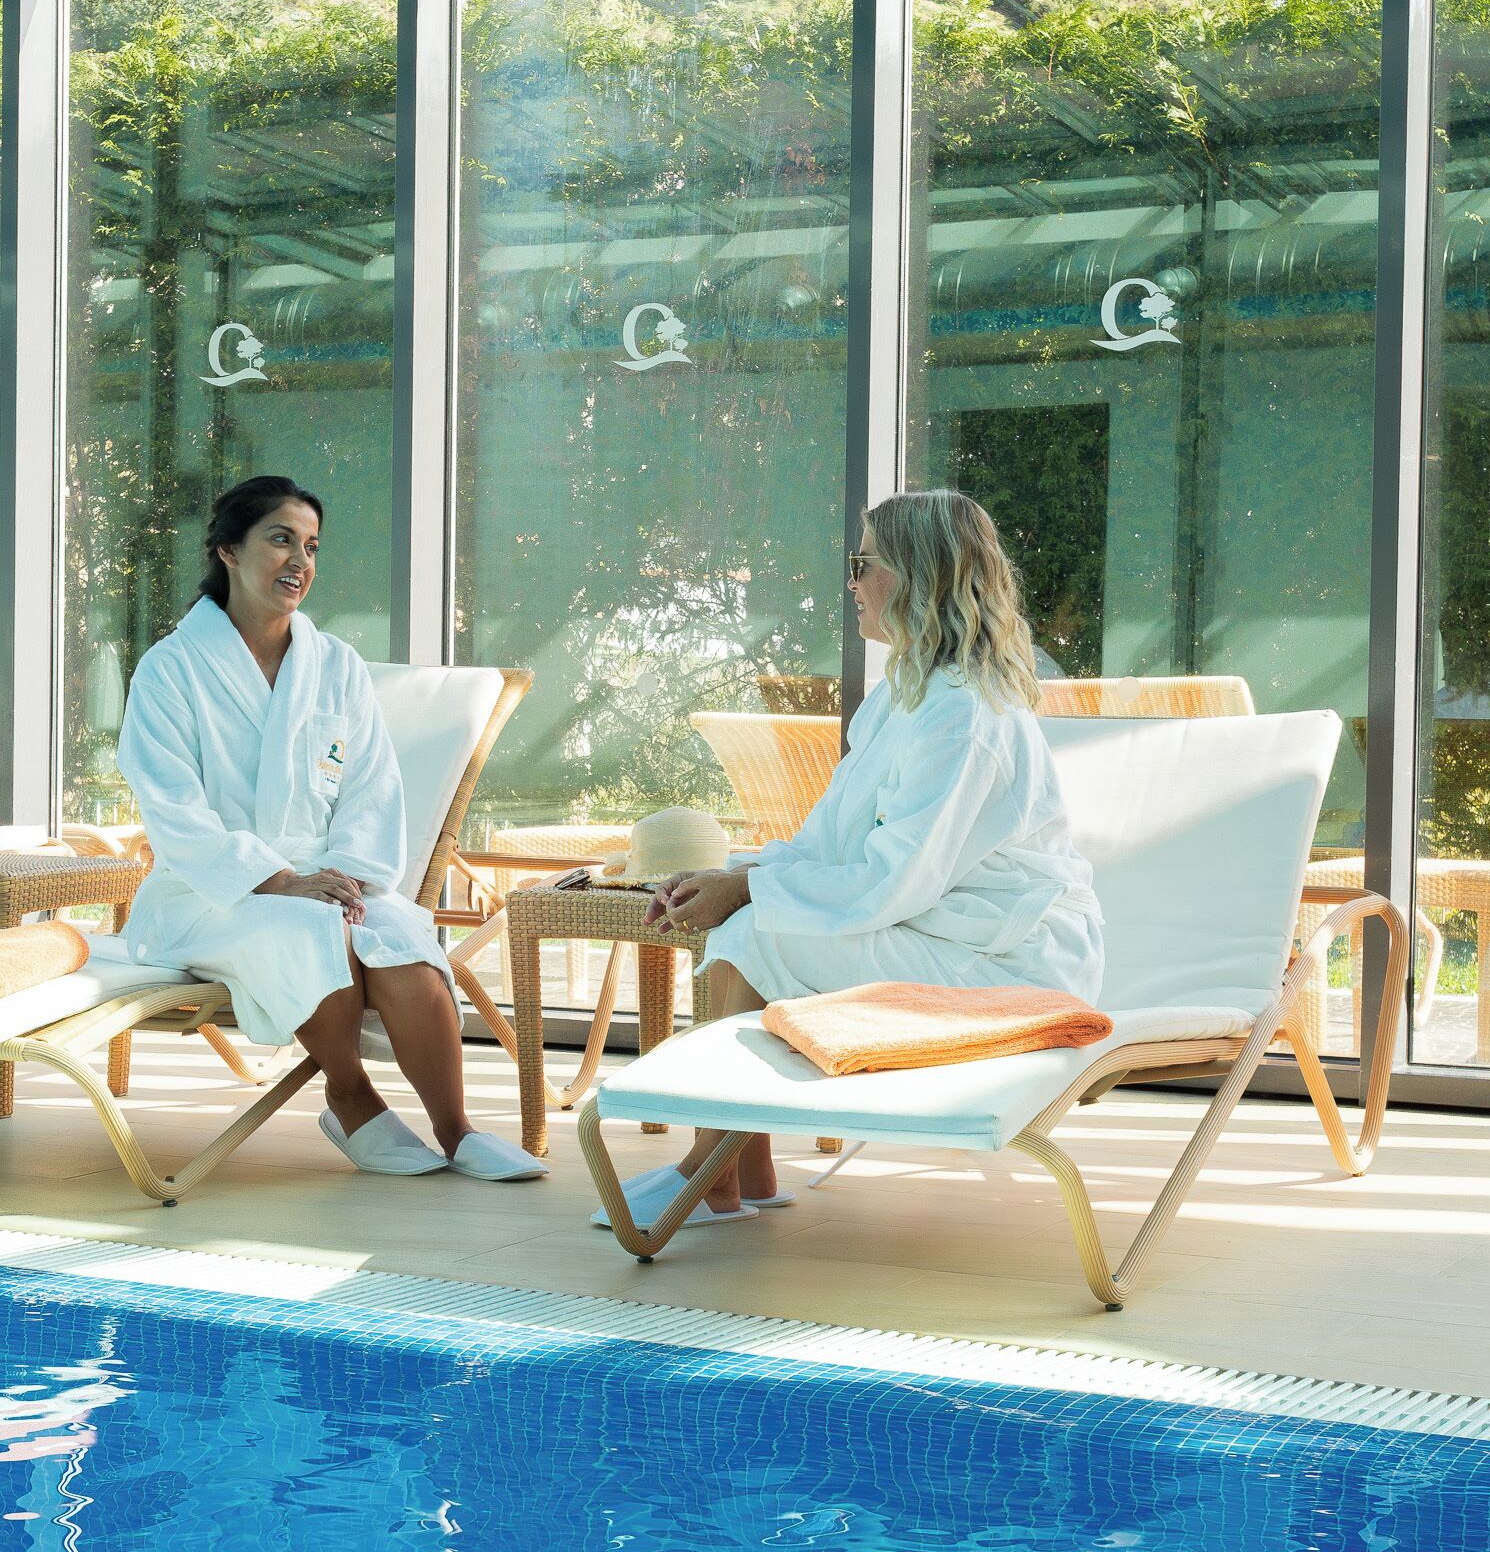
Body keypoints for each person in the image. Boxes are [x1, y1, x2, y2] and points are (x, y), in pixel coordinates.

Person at [608, 489, 1106, 1227]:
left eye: (862, 563)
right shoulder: (903, 694)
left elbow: (894, 882)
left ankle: (716, 1166)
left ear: (915, 576)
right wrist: (734, 877)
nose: (850, 582)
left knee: (755, 929)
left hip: (1010, 963)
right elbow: (830, 841)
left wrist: (749, 895)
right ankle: (739, 1162)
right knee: (746, 920)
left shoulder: (963, 716)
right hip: (943, 931)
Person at [116, 474, 544, 1182]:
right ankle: (351, 1097)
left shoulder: (334, 665)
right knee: (316, 930)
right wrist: (278, 879)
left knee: (402, 934)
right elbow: (172, 809)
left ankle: (457, 1129)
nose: (300, 562)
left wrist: (344, 875)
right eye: (280, 539)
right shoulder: (170, 671)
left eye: (311, 547)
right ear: (227, 548)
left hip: (327, 875)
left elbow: (374, 785)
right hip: (210, 892)